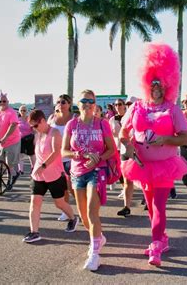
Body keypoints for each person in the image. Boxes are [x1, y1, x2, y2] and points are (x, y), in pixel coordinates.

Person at [119, 43, 187, 267]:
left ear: (167, 84)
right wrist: (127, 143)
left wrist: (165, 139)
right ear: (146, 83)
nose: (156, 87)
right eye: (152, 83)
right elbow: (123, 131)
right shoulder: (138, 107)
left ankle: (156, 246)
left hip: (165, 165)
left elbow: (185, 138)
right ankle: (162, 238)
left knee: (159, 206)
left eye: (160, 83)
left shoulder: (172, 109)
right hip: (142, 165)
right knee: (150, 207)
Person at [62, 89, 116, 271]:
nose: (87, 104)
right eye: (84, 101)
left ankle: (94, 254)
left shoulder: (102, 124)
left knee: (93, 212)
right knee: (84, 217)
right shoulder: (71, 125)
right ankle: (98, 238)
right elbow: (64, 151)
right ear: (78, 104)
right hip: (77, 173)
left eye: (91, 101)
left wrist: (98, 158)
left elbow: (111, 149)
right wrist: (76, 153)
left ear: (95, 105)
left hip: (97, 171)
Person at [22, 110, 79, 243]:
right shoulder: (38, 134)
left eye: (35, 125)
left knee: (59, 203)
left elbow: (55, 152)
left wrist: (43, 166)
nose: (33, 129)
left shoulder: (55, 133)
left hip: (54, 175)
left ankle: (73, 218)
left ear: (42, 120)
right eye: (31, 127)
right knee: (35, 203)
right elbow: (38, 154)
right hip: (38, 176)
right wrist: (36, 167)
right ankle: (34, 232)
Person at [48, 94, 75, 221]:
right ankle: (66, 211)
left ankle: (84, 207)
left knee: (73, 188)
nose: (60, 104)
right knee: (62, 188)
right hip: (56, 159)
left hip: (71, 158)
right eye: (58, 102)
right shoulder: (52, 118)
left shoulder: (74, 118)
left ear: (69, 104)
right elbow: (45, 135)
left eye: (63, 102)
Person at [0, 93, 21, 187]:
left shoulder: (11, 112)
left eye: (4, 101)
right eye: (0, 101)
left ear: (8, 102)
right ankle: (15, 174)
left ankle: (9, 181)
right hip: (0, 142)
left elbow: (13, 125)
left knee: (8, 163)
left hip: (12, 141)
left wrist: (5, 138)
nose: (2, 103)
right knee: (1, 163)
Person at [110, 98, 134, 217]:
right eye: (116, 105)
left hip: (135, 150)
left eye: (120, 104)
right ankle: (126, 206)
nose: (118, 106)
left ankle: (149, 200)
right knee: (126, 179)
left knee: (143, 179)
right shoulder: (112, 120)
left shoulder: (133, 117)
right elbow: (109, 135)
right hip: (120, 150)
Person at [18, 106, 36, 175]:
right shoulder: (17, 119)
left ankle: (33, 168)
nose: (23, 112)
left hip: (29, 139)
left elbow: (34, 129)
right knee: (20, 155)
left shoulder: (30, 119)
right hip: (21, 139)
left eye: (24, 110)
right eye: (21, 110)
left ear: (27, 111)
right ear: (19, 111)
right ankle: (21, 170)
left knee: (31, 155)